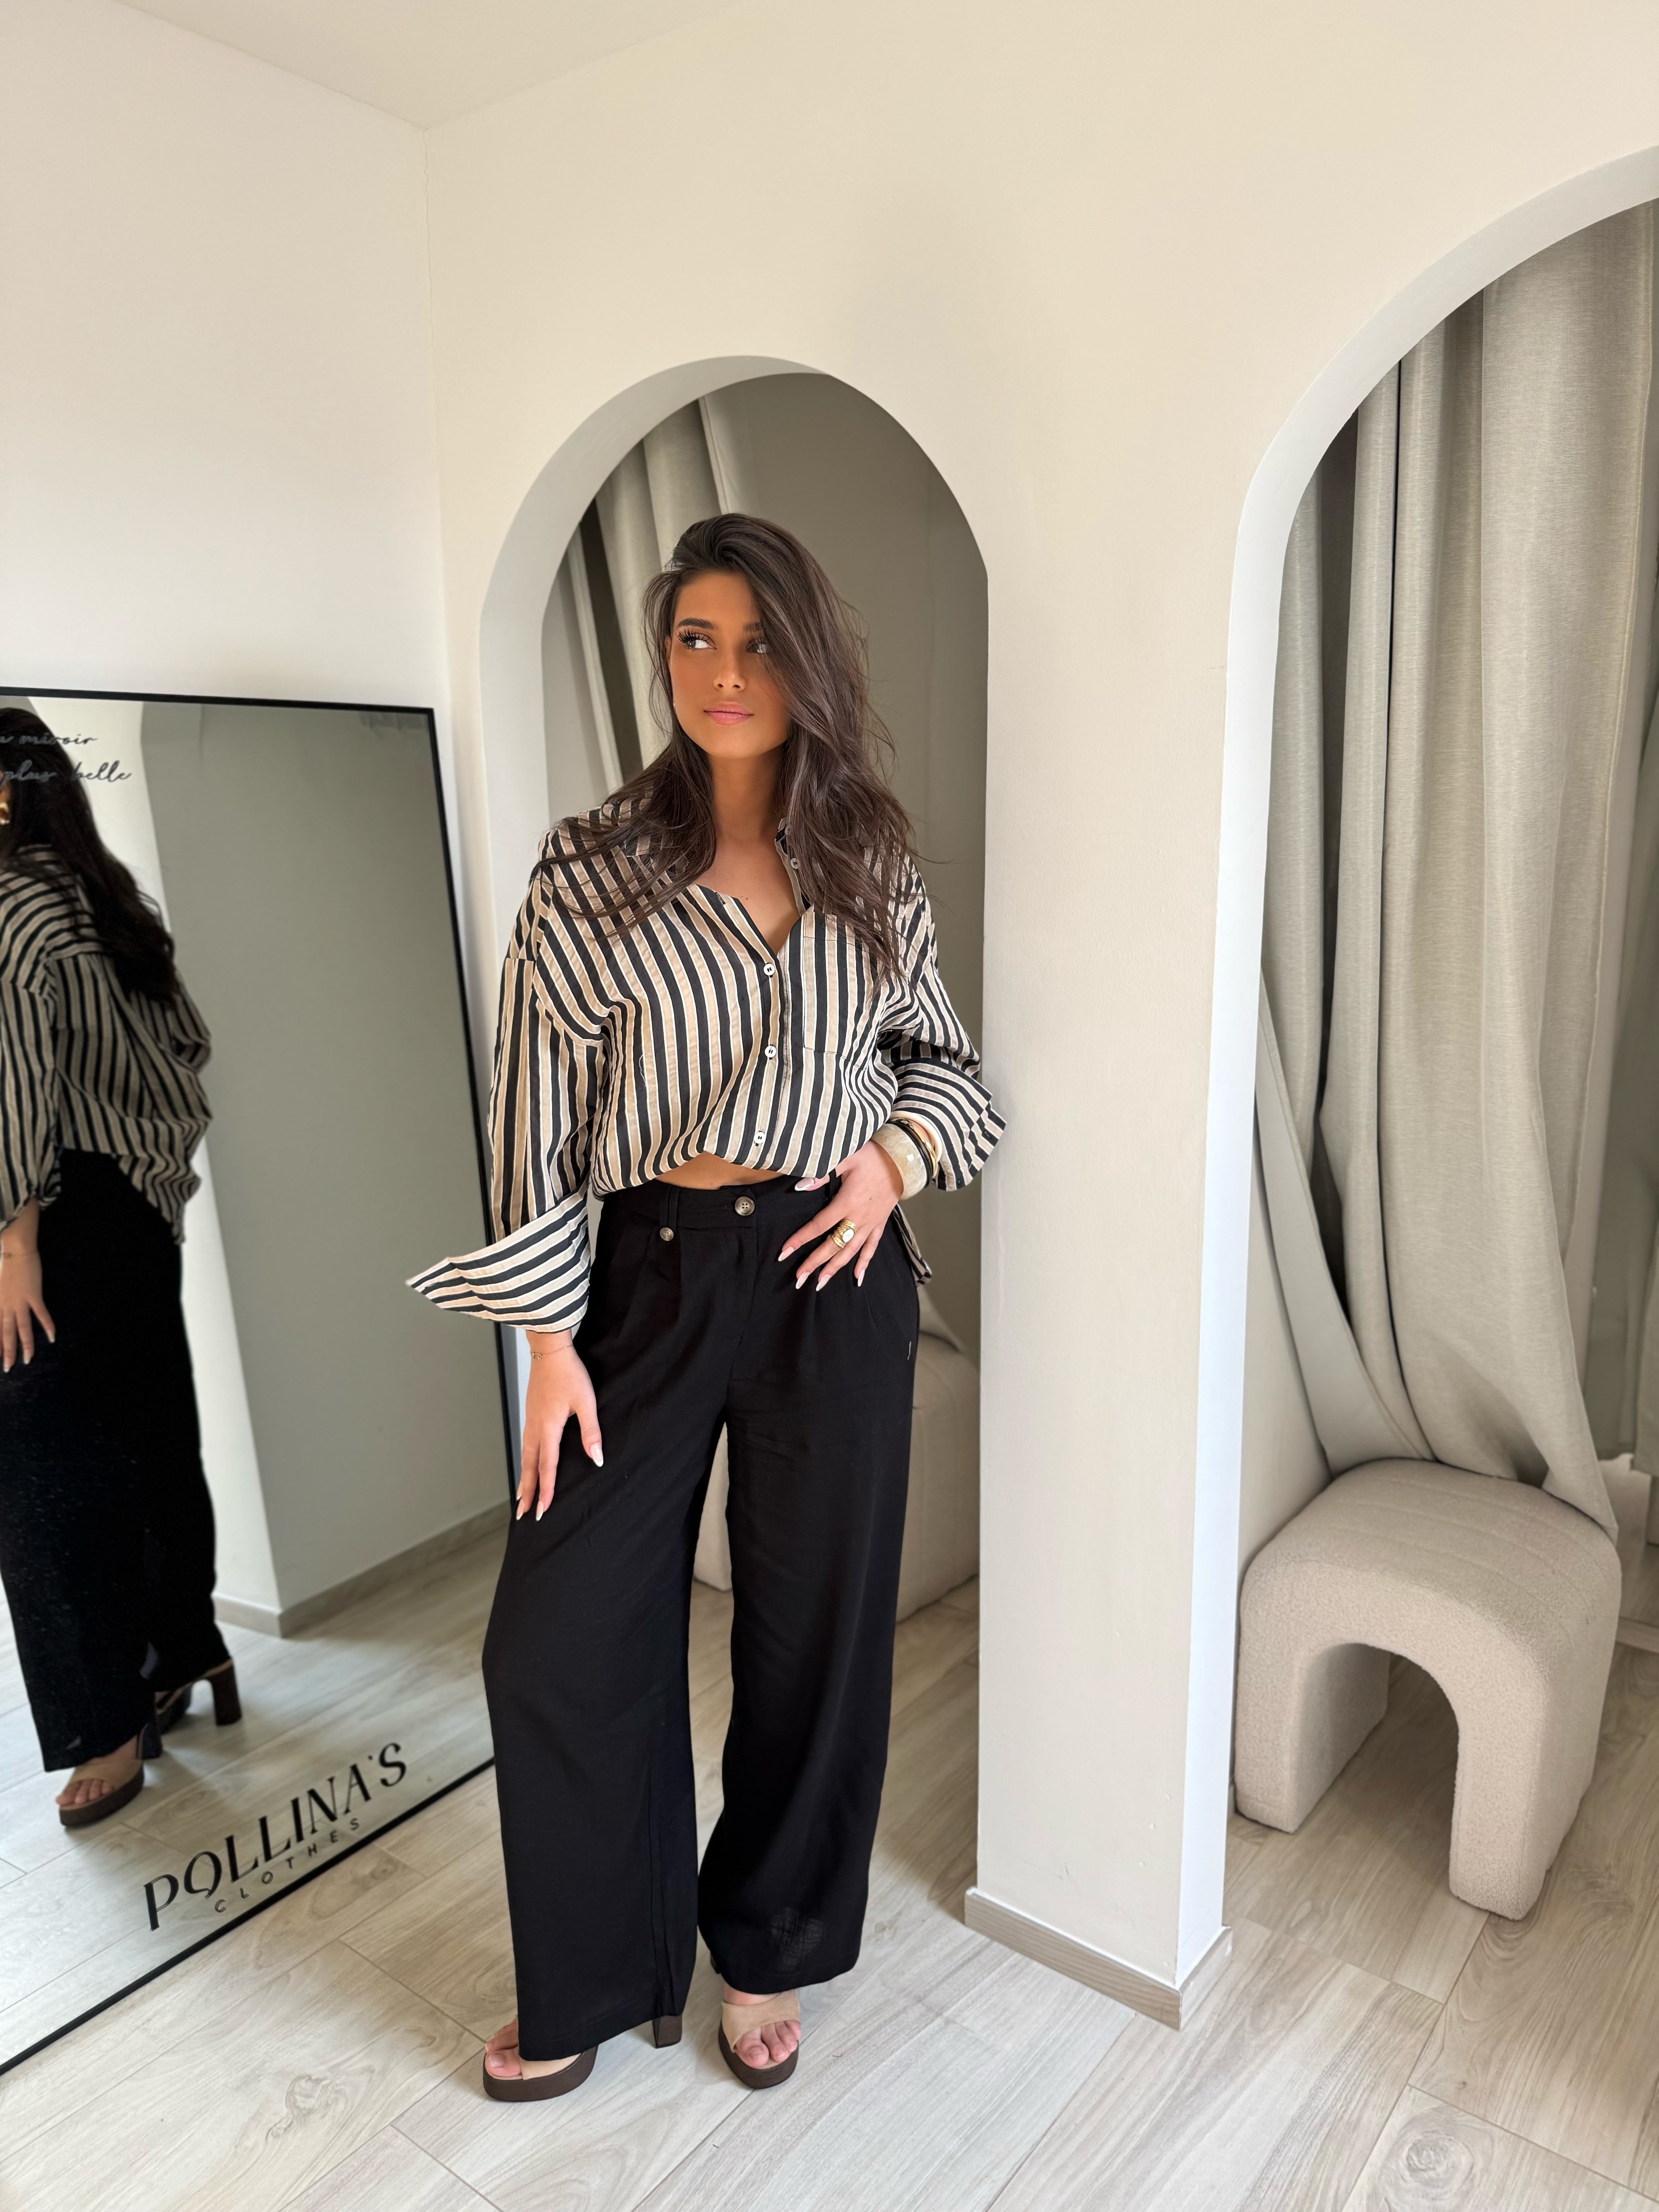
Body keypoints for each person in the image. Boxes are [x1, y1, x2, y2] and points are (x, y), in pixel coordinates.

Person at [412, 514, 1003, 2100]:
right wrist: (547, 1344)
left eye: (756, 643)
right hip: (645, 1274)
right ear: (662, 656)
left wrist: (887, 1164)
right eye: (695, 639)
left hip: (832, 1273)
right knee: (556, 1638)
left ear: (807, 663)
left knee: (817, 1638)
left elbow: (950, 1070)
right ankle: (593, 1973)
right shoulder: (590, 870)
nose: (725, 673)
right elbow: (531, 1119)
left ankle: (767, 1946)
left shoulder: (870, 860)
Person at [0, 707, 238, 1830]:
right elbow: (188, 1046)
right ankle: (182, 1652)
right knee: (151, 1439)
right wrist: (151, 1159)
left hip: (51, 1216)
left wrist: (13, 1242)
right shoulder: (110, 900)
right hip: (135, 1211)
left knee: (41, 1479)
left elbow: (14, 1086)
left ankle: (104, 1731)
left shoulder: (12, 904)